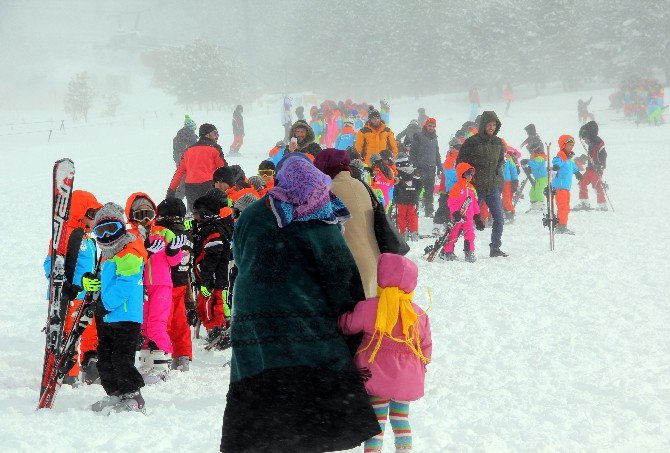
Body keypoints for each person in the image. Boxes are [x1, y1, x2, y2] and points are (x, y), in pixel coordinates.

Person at [221, 154, 380, 452]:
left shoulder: (254, 213)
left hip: (253, 320)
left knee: (263, 395)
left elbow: (241, 259)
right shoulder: (319, 219)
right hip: (303, 321)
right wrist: (351, 317)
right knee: (309, 405)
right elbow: (341, 275)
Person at [339, 253, 432, 453]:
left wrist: (340, 319)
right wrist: (421, 366)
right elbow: (425, 345)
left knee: (377, 421)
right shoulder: (417, 313)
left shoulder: (369, 307)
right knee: (400, 419)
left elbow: (349, 326)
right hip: (406, 376)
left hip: (376, 375)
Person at [86, 203, 147, 413]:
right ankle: (115, 393)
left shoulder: (129, 252)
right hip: (109, 316)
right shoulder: (107, 255)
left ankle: (133, 396)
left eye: (112, 229)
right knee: (105, 359)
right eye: (100, 231)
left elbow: (126, 284)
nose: (107, 236)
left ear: (122, 227)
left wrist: (105, 303)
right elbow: (107, 282)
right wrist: (92, 285)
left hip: (126, 316)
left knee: (121, 358)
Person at [43, 190, 102, 386]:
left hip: (87, 295)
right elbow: (50, 264)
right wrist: (63, 285)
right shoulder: (64, 234)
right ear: (80, 212)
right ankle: (69, 373)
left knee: (89, 330)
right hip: (70, 295)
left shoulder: (88, 239)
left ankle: (91, 366)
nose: (95, 220)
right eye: (92, 214)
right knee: (69, 333)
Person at [126, 193, 185, 384]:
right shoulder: (130, 236)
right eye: (140, 214)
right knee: (142, 325)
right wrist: (146, 251)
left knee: (157, 323)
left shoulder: (163, 232)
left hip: (161, 284)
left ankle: (161, 363)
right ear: (132, 216)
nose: (145, 219)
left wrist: (173, 251)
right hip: (139, 286)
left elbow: (175, 261)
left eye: (148, 213)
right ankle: (146, 361)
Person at [314, 148, 381, 298]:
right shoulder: (364, 186)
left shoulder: (327, 191)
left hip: (348, 265)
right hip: (374, 259)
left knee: (350, 319)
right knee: (368, 316)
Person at [457, 111, 508, 257]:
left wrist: (499, 182)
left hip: (492, 188)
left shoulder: (498, 142)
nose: (491, 127)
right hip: (474, 188)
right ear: (483, 125)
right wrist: (467, 175)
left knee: (499, 218)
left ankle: (495, 248)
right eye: (489, 124)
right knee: (466, 220)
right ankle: (455, 246)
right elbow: (460, 162)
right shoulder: (472, 142)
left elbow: (499, 164)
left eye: (494, 125)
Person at [155, 198, 194, 372]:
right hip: (182, 283)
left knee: (163, 322)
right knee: (181, 323)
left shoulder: (164, 234)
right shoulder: (188, 235)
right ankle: (182, 356)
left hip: (164, 284)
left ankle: (161, 354)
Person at [191, 191, 233, 344]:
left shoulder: (213, 231)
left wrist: (206, 281)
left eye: (197, 215)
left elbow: (213, 258)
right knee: (204, 306)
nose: (195, 218)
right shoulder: (205, 228)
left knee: (212, 306)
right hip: (207, 278)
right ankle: (214, 330)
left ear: (205, 215)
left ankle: (219, 331)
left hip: (213, 280)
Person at [167, 123, 226, 213]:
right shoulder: (214, 148)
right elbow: (223, 169)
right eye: (215, 133)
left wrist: (171, 190)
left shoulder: (188, 151)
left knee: (196, 215)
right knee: (212, 214)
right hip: (209, 186)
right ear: (207, 134)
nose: (217, 137)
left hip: (191, 188)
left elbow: (179, 173)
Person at [441, 163, 485, 262]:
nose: (470, 176)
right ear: (462, 173)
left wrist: (477, 217)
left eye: (472, 173)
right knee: (453, 234)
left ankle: (469, 252)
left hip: (468, 217)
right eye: (468, 173)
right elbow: (452, 202)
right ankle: (448, 251)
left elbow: (474, 204)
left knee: (470, 234)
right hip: (457, 217)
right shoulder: (456, 188)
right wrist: (455, 213)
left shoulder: (472, 188)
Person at [410, 118, 441, 217]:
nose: (431, 128)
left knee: (429, 191)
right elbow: (413, 153)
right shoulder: (418, 136)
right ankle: (413, 210)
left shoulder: (435, 138)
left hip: (431, 168)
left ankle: (429, 211)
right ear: (426, 126)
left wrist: (439, 166)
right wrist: (415, 167)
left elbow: (437, 153)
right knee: (417, 190)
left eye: (433, 126)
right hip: (420, 168)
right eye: (429, 126)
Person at [552, 135, 582, 234]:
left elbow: (572, 166)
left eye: (572, 145)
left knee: (565, 207)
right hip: (560, 186)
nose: (571, 147)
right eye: (569, 145)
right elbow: (557, 160)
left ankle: (561, 225)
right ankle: (561, 226)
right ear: (563, 145)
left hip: (565, 187)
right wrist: (556, 166)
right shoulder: (561, 155)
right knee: (563, 207)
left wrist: (577, 172)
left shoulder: (568, 159)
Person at [576, 120, 608, 211]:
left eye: (585, 138)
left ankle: (602, 205)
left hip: (596, 170)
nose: (585, 140)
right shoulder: (591, 143)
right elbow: (591, 156)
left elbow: (603, 155)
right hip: (590, 169)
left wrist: (601, 165)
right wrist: (584, 159)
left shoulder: (598, 143)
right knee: (582, 183)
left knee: (597, 186)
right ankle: (584, 203)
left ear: (590, 135)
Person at [393, 153, 422, 242]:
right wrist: (416, 193)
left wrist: (395, 196)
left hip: (401, 198)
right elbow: (420, 185)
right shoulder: (414, 171)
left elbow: (394, 186)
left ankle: (403, 233)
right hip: (413, 197)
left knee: (401, 216)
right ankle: (414, 232)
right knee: (412, 215)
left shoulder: (396, 172)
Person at [172, 115, 198, 200]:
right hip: (188, 165)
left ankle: (175, 203)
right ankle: (175, 204)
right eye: (194, 127)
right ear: (191, 127)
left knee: (185, 186)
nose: (195, 129)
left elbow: (177, 152)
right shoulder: (190, 137)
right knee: (188, 186)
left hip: (181, 164)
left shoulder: (179, 136)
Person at [521, 145, 548, 211]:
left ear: (534, 151)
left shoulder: (539, 158)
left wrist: (528, 162)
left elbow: (535, 165)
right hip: (538, 178)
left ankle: (541, 205)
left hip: (542, 178)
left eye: (531, 152)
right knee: (532, 192)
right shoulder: (535, 158)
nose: (530, 153)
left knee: (538, 192)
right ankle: (535, 205)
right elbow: (534, 167)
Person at [501, 145, 520, 222]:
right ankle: (506, 212)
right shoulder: (501, 157)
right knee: (505, 198)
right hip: (502, 181)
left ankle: (510, 213)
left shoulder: (508, 158)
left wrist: (515, 181)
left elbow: (513, 170)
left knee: (507, 198)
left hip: (507, 181)